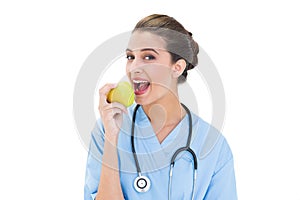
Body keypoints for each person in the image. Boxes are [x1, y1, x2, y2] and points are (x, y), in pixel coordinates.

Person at [84, 14, 237, 200]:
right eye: (130, 57)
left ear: (177, 67)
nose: (133, 67)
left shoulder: (213, 145)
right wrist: (111, 139)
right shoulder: (107, 129)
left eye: (148, 57)